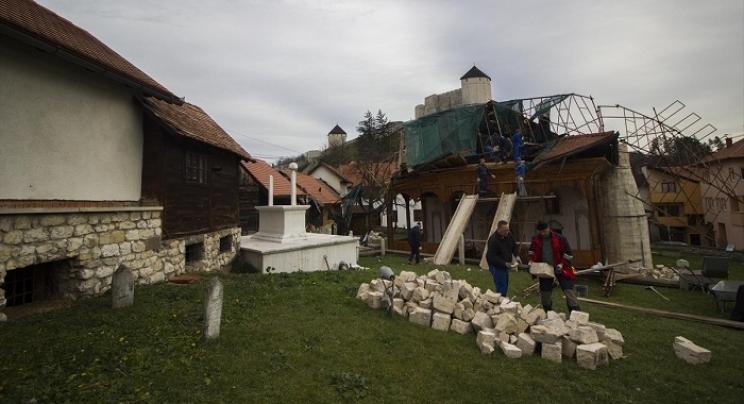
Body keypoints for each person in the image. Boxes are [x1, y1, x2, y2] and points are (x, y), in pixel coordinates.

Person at [528, 221, 581, 313]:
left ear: (548, 228)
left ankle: (575, 313)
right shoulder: (536, 239)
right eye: (541, 232)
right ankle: (548, 312)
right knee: (545, 293)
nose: (543, 233)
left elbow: (568, 254)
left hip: (561, 267)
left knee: (569, 291)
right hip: (545, 269)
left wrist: (561, 264)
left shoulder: (560, 238)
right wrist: (531, 260)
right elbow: (531, 251)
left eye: (544, 231)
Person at [486, 220, 519, 296]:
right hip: (495, 265)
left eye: (508, 230)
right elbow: (492, 257)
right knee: (501, 285)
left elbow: (514, 245)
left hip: (505, 264)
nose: (507, 232)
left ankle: (502, 300)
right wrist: (504, 263)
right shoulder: (493, 240)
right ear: (498, 229)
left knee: (505, 283)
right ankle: (500, 302)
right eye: (505, 230)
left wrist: (517, 256)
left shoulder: (508, 235)